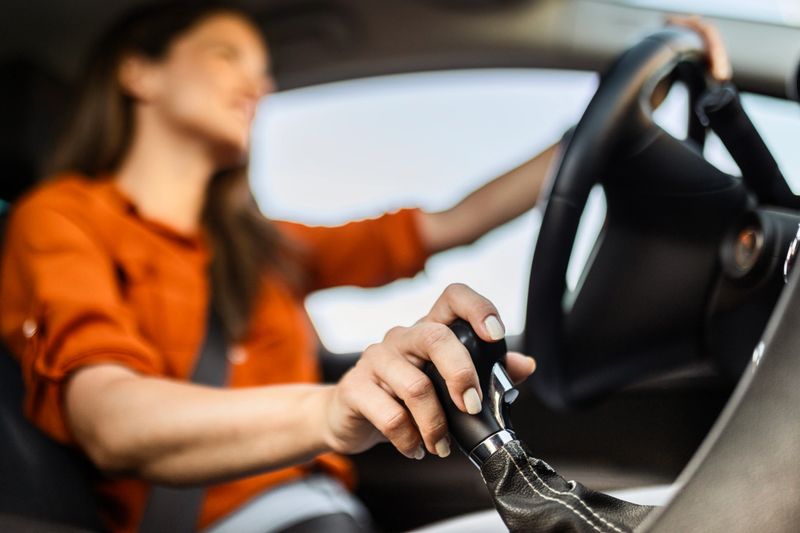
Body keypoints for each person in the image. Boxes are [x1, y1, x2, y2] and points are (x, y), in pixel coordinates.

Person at [0, 2, 731, 532]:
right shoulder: (62, 218)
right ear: (139, 72)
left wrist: (611, 117)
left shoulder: (264, 247)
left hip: (334, 513)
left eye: (263, 69)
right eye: (226, 55)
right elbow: (110, 418)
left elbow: (449, 222)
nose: (258, 84)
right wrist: (331, 408)